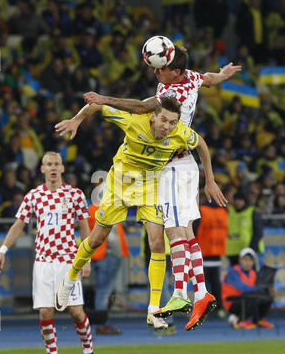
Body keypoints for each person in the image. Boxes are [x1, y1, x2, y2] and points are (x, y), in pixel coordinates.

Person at [83, 44, 238, 330]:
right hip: (182, 162)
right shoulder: (190, 76)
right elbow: (208, 78)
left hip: (175, 165)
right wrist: (222, 75)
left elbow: (142, 107)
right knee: (183, 231)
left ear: (175, 71)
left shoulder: (170, 96)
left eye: (161, 68)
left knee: (175, 230)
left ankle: (184, 293)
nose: (155, 72)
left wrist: (103, 98)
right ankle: (198, 292)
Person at [54, 97, 227, 333]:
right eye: (163, 120)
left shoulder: (180, 133)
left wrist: (210, 179)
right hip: (121, 183)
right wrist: (76, 120)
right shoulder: (133, 120)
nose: (167, 126)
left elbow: (202, 144)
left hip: (150, 188)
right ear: (153, 116)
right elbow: (96, 105)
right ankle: (71, 277)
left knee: (157, 244)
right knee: (96, 239)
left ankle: (153, 310)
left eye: (173, 122)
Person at [0, 152, 108, 354]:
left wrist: (85, 259)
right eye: (49, 164)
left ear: (63, 168)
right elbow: (18, 225)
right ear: (42, 169)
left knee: (76, 312)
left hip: (69, 262)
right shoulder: (33, 196)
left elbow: (84, 226)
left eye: (57, 164)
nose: (53, 167)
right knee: (46, 312)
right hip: (44, 263)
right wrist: (3, 250)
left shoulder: (75, 195)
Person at [88, 191, 130, 335]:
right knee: (104, 291)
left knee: (102, 290)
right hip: (108, 254)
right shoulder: (105, 209)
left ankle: (101, 323)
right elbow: (110, 236)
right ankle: (102, 324)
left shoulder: (93, 209)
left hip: (101, 255)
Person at [192, 190, 229, 316]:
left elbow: (194, 229)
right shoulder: (223, 212)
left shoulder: (201, 211)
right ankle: (219, 307)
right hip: (217, 250)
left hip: (202, 250)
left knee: (202, 282)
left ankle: (202, 308)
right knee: (215, 281)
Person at [222, 247, 274, 329]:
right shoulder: (234, 272)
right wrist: (262, 287)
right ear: (240, 260)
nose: (248, 262)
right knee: (254, 297)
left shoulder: (253, 273)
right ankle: (240, 321)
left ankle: (258, 319)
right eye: (245, 259)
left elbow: (256, 288)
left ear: (253, 262)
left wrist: (267, 289)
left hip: (244, 298)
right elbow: (243, 288)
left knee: (267, 296)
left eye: (250, 260)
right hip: (231, 302)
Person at [226, 190, 264, 266]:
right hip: (233, 251)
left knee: (250, 275)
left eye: (240, 200)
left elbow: (258, 231)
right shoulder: (230, 212)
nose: (238, 202)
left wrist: (252, 247)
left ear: (245, 201)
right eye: (236, 200)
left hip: (248, 250)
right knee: (236, 275)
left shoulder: (252, 211)